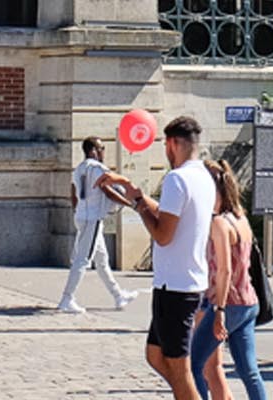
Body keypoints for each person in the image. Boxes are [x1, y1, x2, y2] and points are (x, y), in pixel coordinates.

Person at [101, 116, 217, 400]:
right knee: (155, 355)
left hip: (176, 288)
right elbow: (170, 213)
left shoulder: (177, 179)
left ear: (173, 144)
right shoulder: (203, 176)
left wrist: (140, 207)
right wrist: (135, 193)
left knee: (180, 369)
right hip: (182, 283)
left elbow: (163, 234)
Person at [189, 160, 267, 400]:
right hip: (248, 301)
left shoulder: (220, 223)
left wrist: (219, 310)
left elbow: (224, 270)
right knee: (248, 370)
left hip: (227, 302)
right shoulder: (241, 219)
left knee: (195, 365)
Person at [58, 137, 141, 313]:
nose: (104, 151)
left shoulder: (79, 168)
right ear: (93, 150)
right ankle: (67, 298)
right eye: (102, 148)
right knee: (83, 260)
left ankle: (118, 295)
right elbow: (107, 190)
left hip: (83, 216)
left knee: (102, 260)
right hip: (92, 219)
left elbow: (73, 194)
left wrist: (79, 210)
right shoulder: (97, 169)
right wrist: (130, 204)